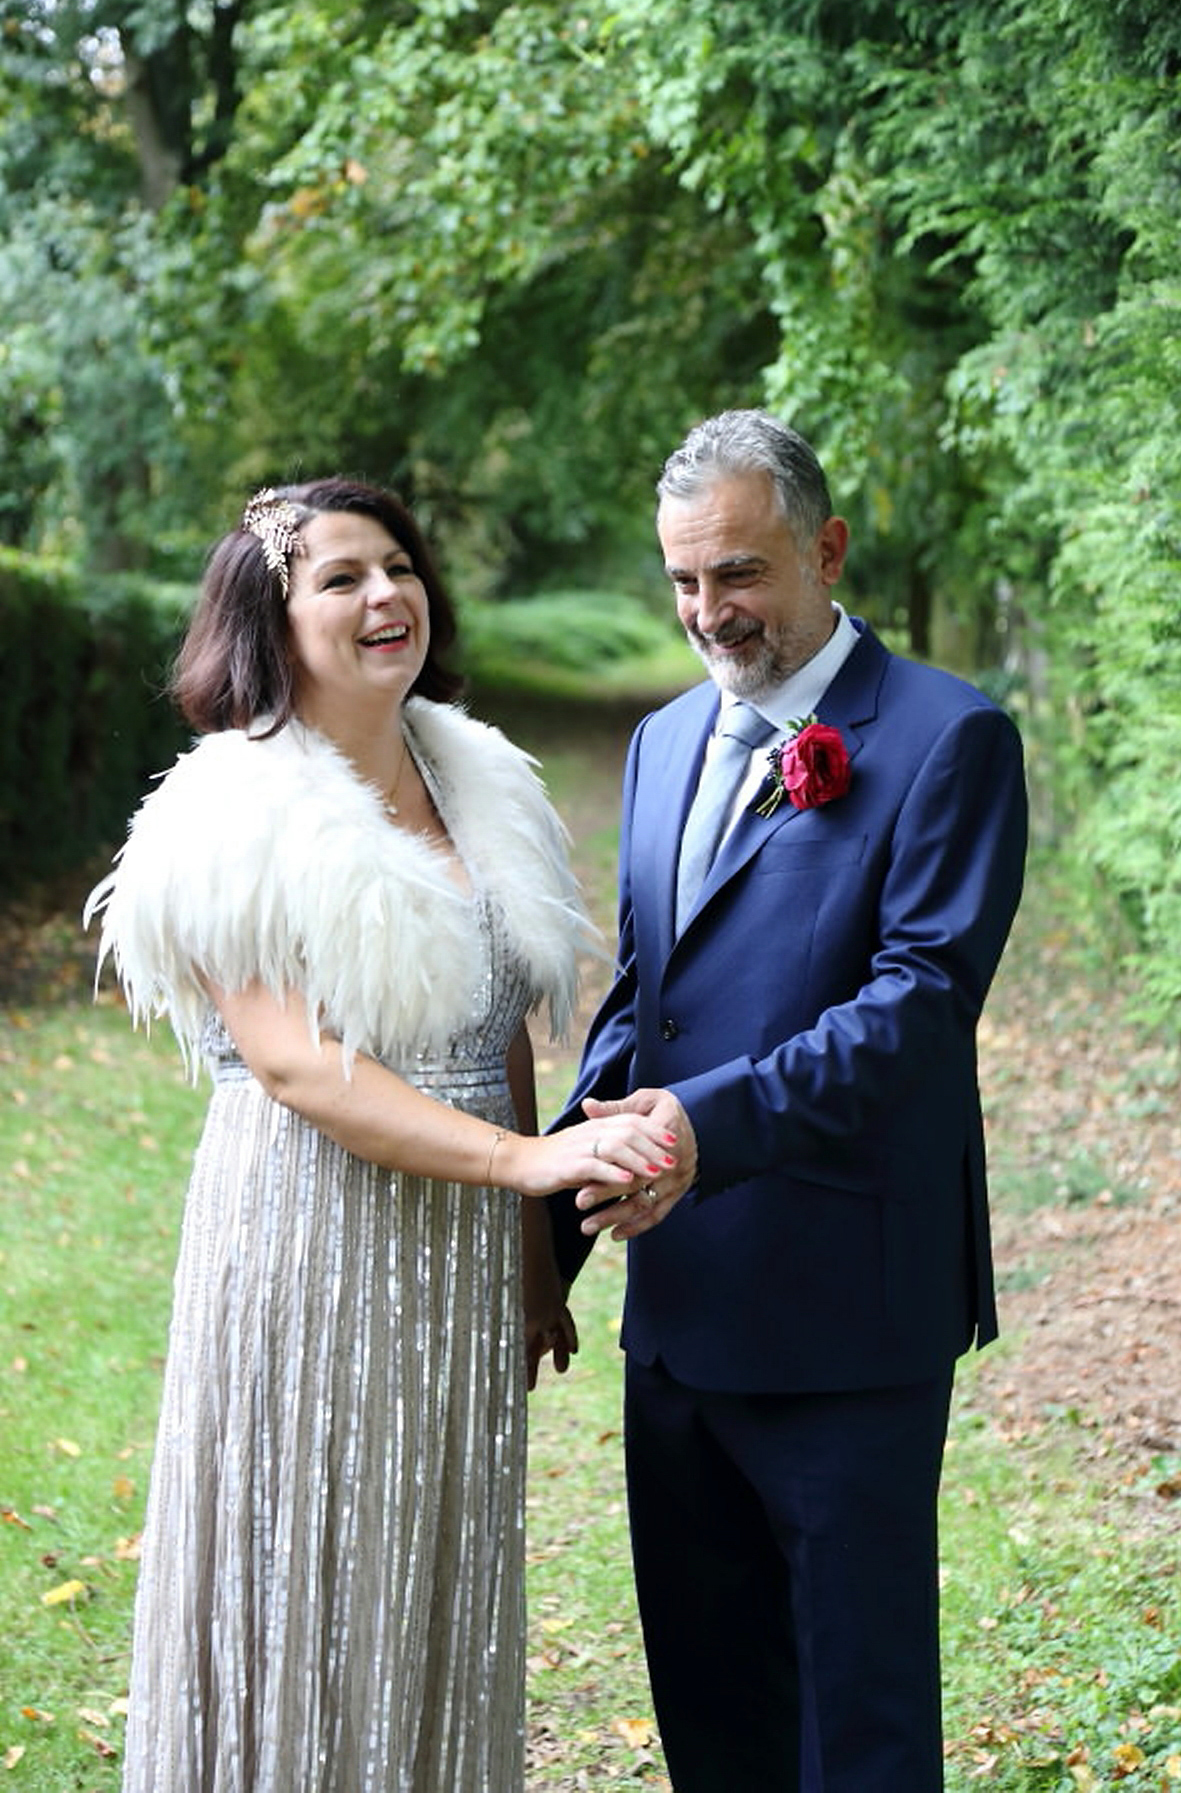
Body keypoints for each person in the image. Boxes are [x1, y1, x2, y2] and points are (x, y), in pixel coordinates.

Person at [86, 477, 674, 1792]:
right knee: (307, 1563)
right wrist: (536, 1164)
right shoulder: (227, 807)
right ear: (269, 617)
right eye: (341, 578)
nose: (385, 595)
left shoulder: (478, 780)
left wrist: (531, 1254)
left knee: (435, 1571)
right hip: (304, 1239)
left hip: (459, 1259)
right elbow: (296, 1063)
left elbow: (505, 1026)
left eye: (397, 566)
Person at [548, 410, 1028, 1792]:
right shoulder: (658, 743)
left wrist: (705, 1128)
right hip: (680, 1317)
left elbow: (919, 1010)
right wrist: (558, 1207)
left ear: (824, 550)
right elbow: (650, 994)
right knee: (714, 1707)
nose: (711, 612)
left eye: (741, 574)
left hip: (847, 1316)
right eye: (685, 581)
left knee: (857, 1722)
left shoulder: (949, 738)